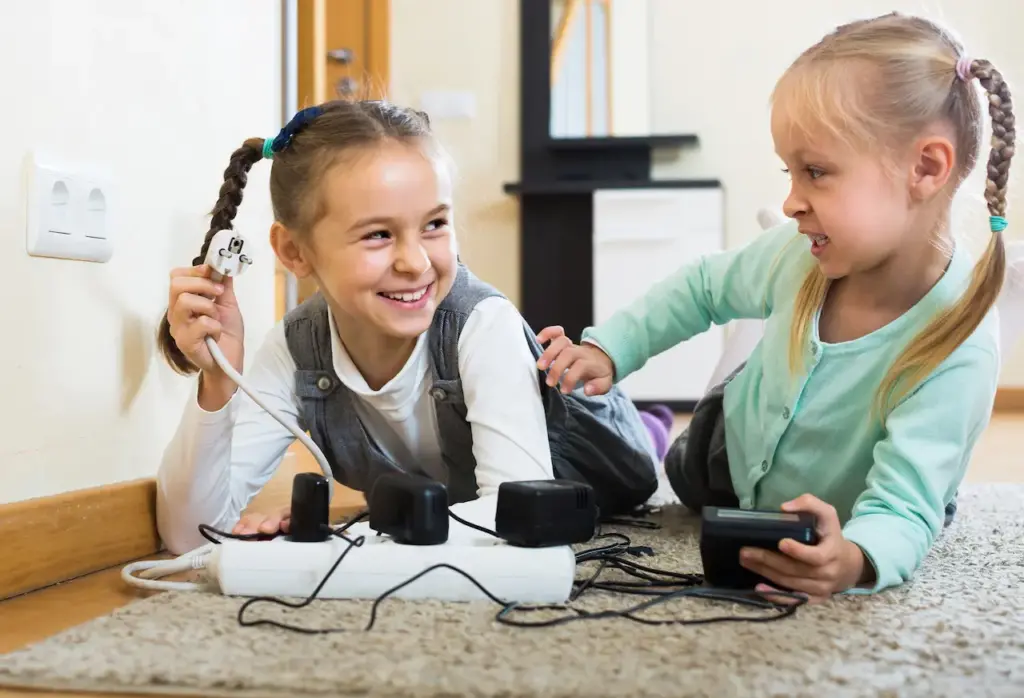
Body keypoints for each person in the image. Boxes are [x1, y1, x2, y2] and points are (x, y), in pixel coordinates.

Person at [536, 12, 1012, 602]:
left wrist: (855, 559)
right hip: (726, 441)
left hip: (828, 500)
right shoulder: (800, 257)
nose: (791, 202)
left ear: (925, 168)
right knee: (678, 472)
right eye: (790, 173)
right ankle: (662, 427)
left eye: (815, 172)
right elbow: (704, 286)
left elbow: (903, 508)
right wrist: (613, 346)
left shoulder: (957, 343)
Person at [155, 99, 670, 554]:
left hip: (598, 459)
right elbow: (189, 535)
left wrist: (345, 537)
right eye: (378, 235)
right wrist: (219, 379)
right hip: (454, 493)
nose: (416, 262)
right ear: (294, 251)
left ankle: (653, 426)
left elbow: (520, 514)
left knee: (660, 465)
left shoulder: (481, 323)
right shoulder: (295, 348)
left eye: (435, 224)